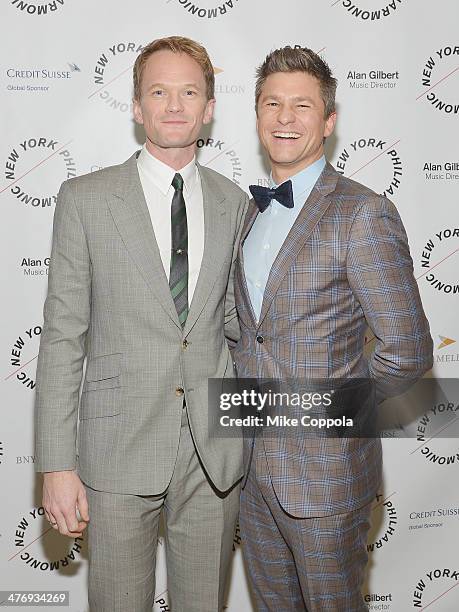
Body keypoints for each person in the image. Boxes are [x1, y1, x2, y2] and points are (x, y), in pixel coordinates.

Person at [34, 36, 248, 612]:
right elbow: (62, 337)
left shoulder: (237, 204)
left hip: (214, 454)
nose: (174, 106)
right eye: (159, 91)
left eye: (189, 92)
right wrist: (56, 464)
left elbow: (239, 326)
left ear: (208, 109)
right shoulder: (85, 198)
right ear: (136, 106)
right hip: (116, 449)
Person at [233, 46, 433, 611]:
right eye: (273, 103)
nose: (285, 117)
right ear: (256, 115)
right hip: (250, 478)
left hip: (326, 478)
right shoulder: (249, 212)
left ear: (329, 120)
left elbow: (408, 351)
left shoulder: (362, 213)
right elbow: (250, 338)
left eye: (302, 105)